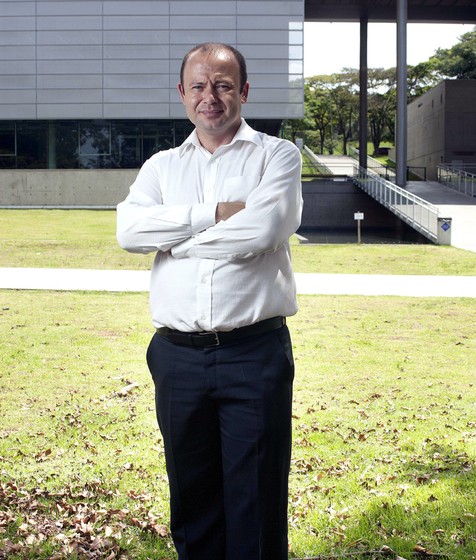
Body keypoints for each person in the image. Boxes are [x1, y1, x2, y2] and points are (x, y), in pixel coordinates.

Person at [116, 42, 302, 560]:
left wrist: (175, 239)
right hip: (176, 357)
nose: (210, 96)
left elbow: (262, 230)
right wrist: (213, 213)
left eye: (222, 85)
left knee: (257, 503)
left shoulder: (276, 155)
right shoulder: (161, 167)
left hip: (254, 354)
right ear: (182, 93)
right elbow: (130, 231)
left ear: (243, 91)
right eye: (198, 85)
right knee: (192, 499)